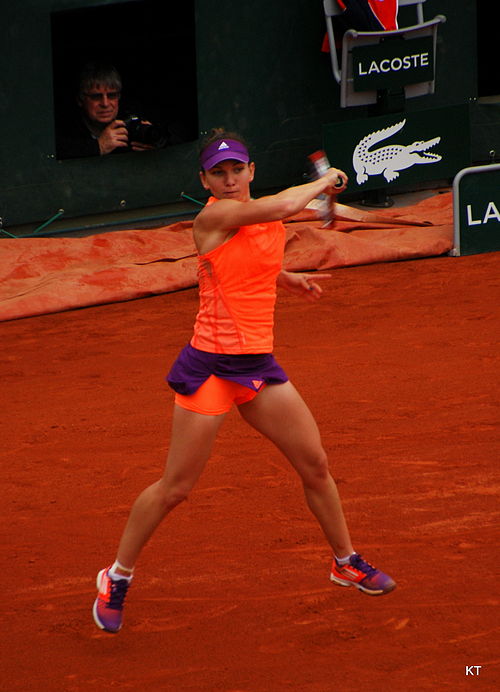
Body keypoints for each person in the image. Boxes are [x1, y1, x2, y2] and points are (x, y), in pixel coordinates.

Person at [92, 128, 396, 633]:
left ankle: (346, 561)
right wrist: (325, 184)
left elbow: (251, 252)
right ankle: (116, 575)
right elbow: (274, 212)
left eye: (237, 169)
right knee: (176, 488)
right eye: (219, 172)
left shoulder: (258, 215)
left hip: (256, 367)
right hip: (210, 369)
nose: (230, 179)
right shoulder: (214, 215)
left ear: (251, 171)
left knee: (315, 463)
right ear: (205, 180)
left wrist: (285, 276)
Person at [55, 62, 161, 159]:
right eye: (96, 97)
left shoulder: (130, 120)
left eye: (112, 96)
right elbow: (53, 152)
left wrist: (152, 145)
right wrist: (98, 147)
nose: (105, 104)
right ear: (80, 100)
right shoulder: (65, 127)